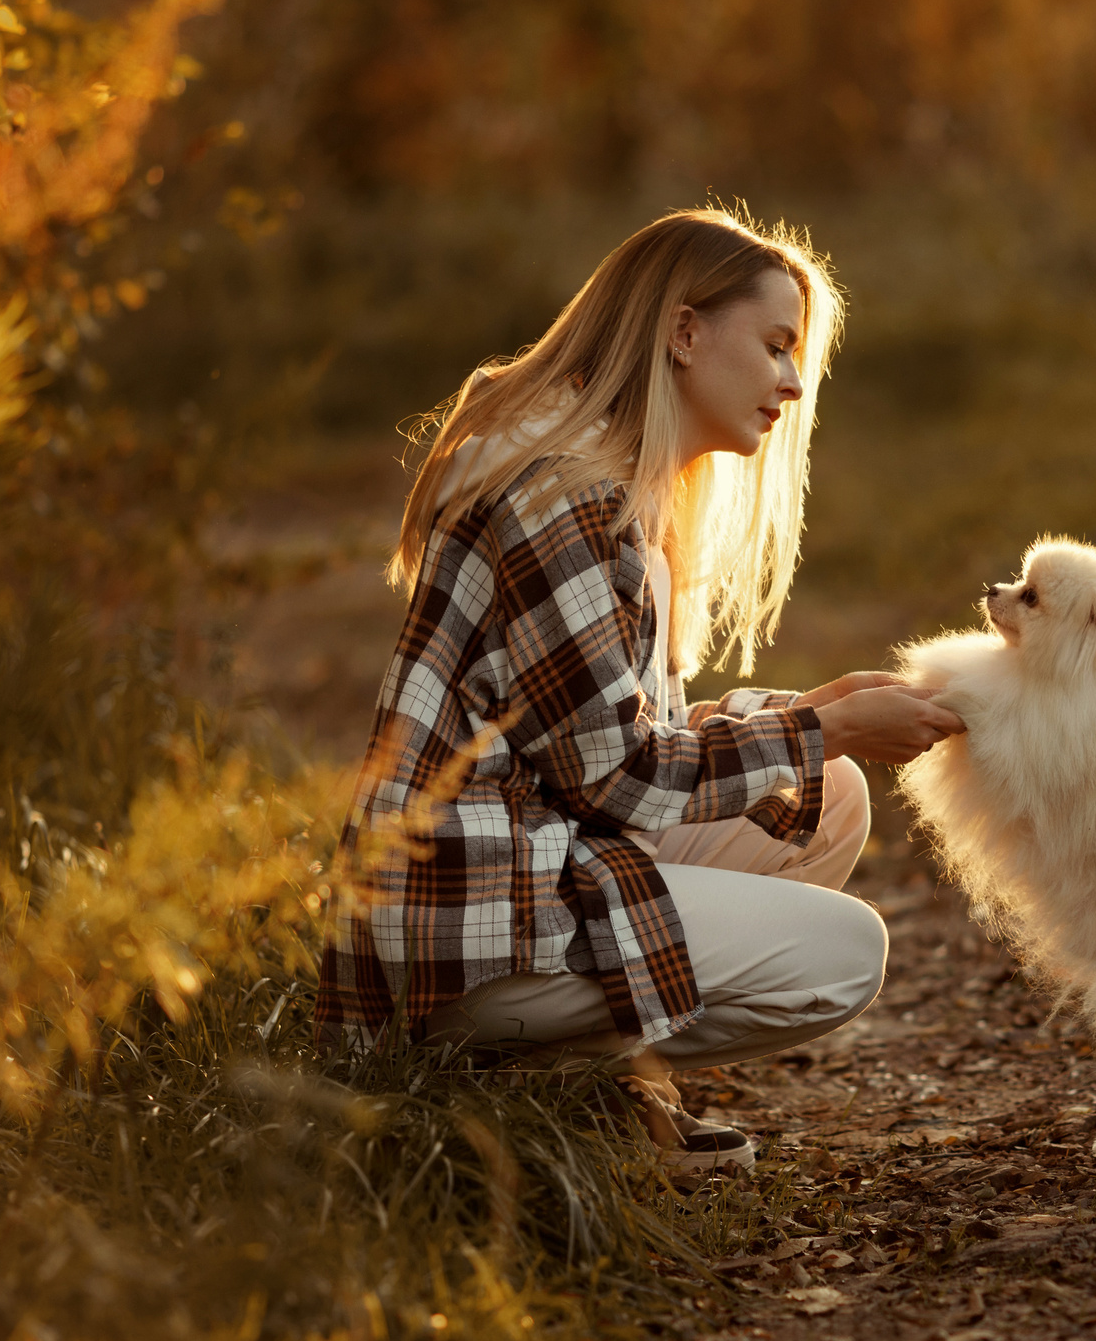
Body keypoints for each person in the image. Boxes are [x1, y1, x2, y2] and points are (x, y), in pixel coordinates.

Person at [317, 208, 964, 1172]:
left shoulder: (621, 494)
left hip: (535, 855)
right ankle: (533, 1081)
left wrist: (816, 728)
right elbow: (620, 779)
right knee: (845, 956)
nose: (793, 382)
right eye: (778, 346)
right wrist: (820, 727)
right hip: (469, 924)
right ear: (684, 330)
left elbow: (601, 749)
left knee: (828, 800)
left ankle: (596, 1084)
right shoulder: (563, 497)